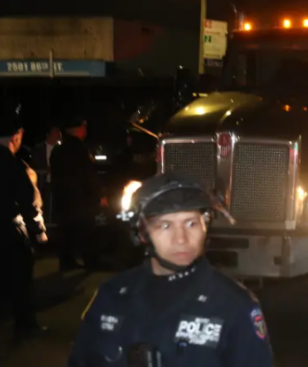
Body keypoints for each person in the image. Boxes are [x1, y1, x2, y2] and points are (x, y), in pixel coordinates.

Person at [67, 174, 274, 366]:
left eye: (191, 224)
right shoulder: (110, 295)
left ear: (206, 227)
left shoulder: (235, 305)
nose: (181, 239)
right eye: (165, 226)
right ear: (142, 234)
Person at [1, 107, 49, 339]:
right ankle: (25, 324)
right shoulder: (14, 165)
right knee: (20, 278)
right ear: (16, 136)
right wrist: (38, 230)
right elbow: (28, 200)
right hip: (9, 230)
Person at [50, 116, 105, 271]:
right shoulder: (79, 149)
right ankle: (92, 262)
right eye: (83, 127)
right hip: (81, 198)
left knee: (66, 231)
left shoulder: (58, 150)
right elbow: (88, 174)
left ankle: (66, 261)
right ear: (78, 129)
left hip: (63, 197)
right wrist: (99, 194)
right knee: (87, 232)